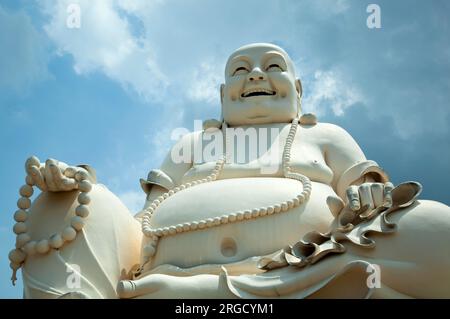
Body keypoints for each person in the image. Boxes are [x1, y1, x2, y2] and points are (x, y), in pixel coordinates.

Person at [13, 43, 450, 298]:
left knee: (436, 225)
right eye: (240, 71)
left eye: (272, 66)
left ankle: (224, 294)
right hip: (161, 269)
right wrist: (79, 189)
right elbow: (140, 220)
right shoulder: (192, 144)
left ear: (297, 91)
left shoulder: (327, 135)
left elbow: (372, 192)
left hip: (310, 267)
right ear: (224, 96)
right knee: (66, 202)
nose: (256, 74)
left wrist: (368, 194)